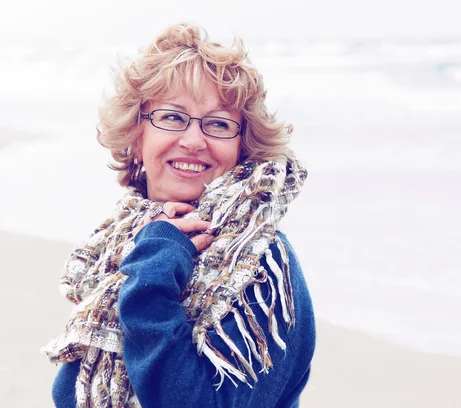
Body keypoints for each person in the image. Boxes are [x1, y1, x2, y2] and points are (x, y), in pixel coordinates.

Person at [43, 23, 315, 408]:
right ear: (137, 137)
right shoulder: (124, 246)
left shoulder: (258, 262)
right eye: (172, 117)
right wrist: (155, 251)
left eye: (219, 124)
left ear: (243, 147)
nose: (193, 140)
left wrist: (155, 271)